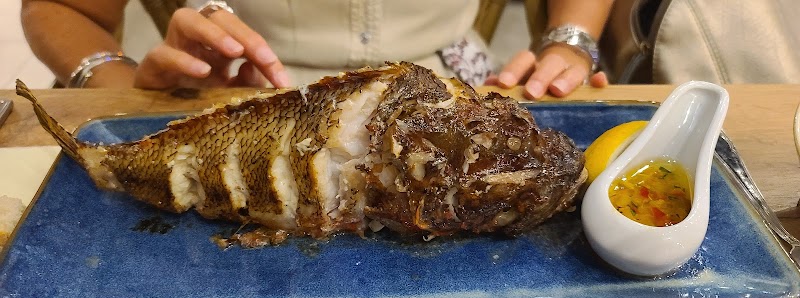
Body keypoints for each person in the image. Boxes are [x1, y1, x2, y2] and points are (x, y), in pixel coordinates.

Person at [21, 0, 613, 99]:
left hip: (461, 82)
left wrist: (573, 40)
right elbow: (63, 8)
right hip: (240, 91)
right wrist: (115, 83)